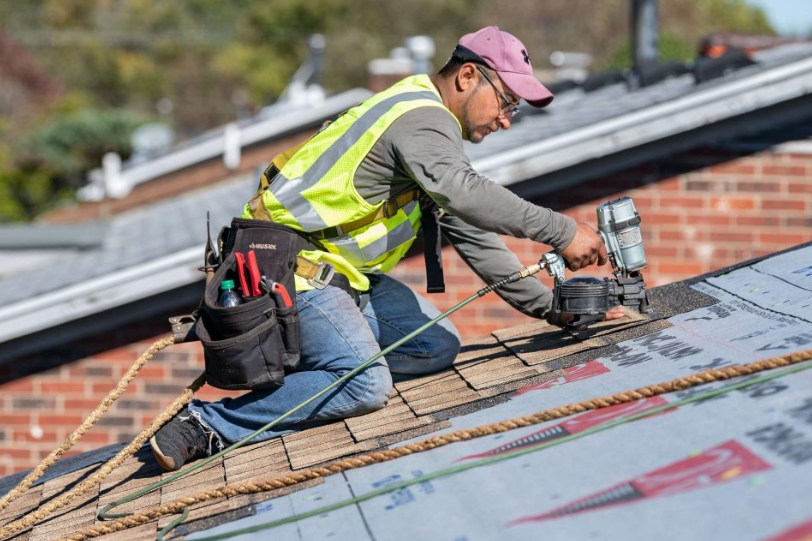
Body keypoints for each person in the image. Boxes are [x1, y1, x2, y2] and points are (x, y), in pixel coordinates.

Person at [150, 26, 624, 472]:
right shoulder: (421, 120)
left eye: (514, 109)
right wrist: (562, 232)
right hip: (290, 276)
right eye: (506, 102)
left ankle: (318, 367)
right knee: (365, 383)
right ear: (467, 76)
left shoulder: (424, 126)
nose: (505, 119)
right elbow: (466, 193)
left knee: (434, 345)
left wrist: (551, 308)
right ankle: (209, 424)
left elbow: (472, 230)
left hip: (340, 280)